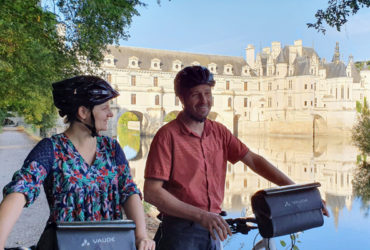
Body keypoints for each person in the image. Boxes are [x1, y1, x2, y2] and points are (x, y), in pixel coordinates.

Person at [143, 66, 329, 250]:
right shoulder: (167, 136)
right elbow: (152, 192)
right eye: (195, 95)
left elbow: (254, 161)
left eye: (208, 93)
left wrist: (300, 192)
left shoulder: (219, 132)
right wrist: (201, 216)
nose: (204, 100)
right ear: (182, 98)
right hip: (179, 232)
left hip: (214, 227)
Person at [0, 76, 155, 250]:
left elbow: (128, 189)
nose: (111, 114)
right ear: (83, 112)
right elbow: (21, 188)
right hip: (66, 244)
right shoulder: (51, 149)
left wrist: (141, 235)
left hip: (110, 244)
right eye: (105, 108)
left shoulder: (111, 148)